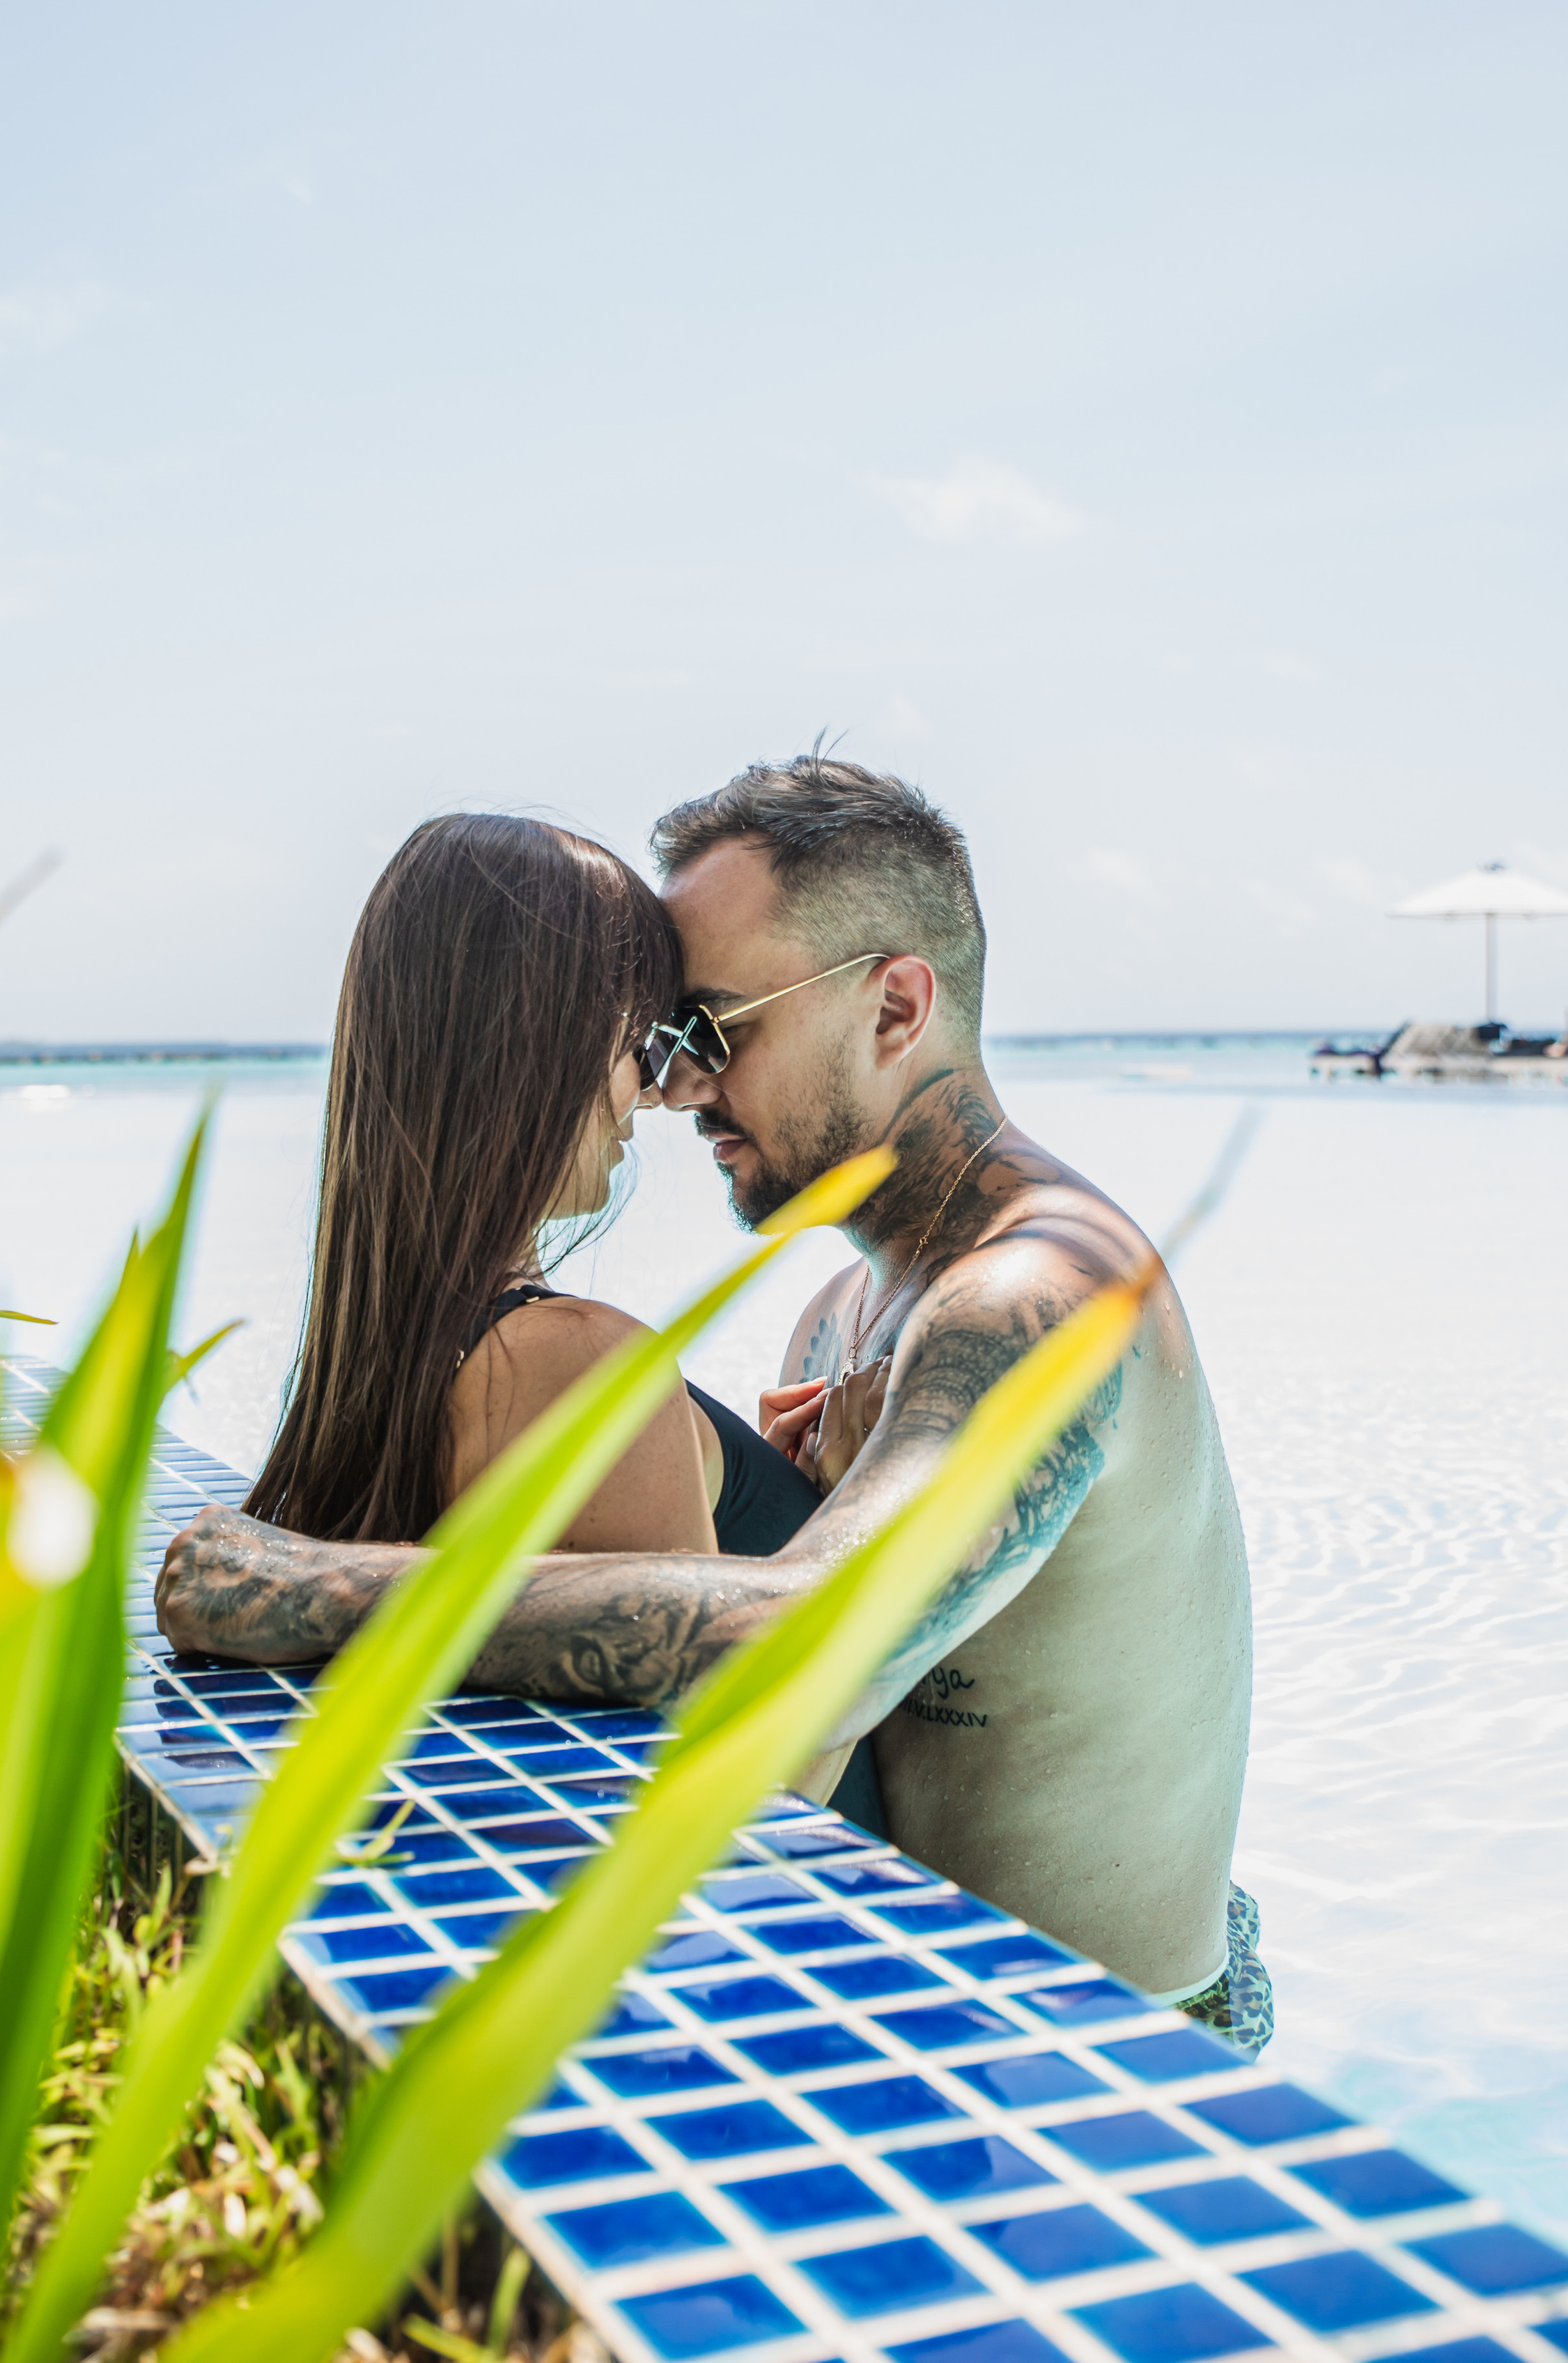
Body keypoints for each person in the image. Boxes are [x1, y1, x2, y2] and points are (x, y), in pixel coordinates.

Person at [160, 758, 1267, 2050]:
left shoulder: (1041, 1295)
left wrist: (303, 1589)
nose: (674, 1088)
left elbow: (806, 1653)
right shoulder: (842, 1325)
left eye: (718, 1029)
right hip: (922, 2013)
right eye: (664, 1039)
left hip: (1113, 2055)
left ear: (895, 1007)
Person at [233, 810, 888, 1833]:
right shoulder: (572, 1365)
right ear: (534, 1051)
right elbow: (735, 1810)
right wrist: (857, 1536)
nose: (657, 1091)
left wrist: (744, 1498)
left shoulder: (394, 1352)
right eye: (640, 1041)